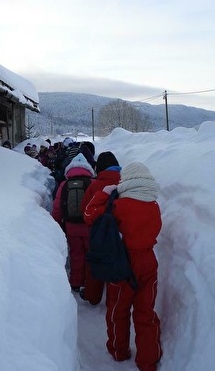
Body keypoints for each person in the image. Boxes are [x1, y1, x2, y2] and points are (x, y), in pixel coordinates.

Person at [84, 162, 162, 371]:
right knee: (146, 311)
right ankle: (148, 359)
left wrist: (105, 193)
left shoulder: (119, 206)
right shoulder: (154, 205)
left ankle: (119, 350)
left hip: (121, 262)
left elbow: (90, 214)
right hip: (148, 262)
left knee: (118, 309)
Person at [78, 151, 121, 305]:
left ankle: (92, 296)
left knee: (95, 263)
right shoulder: (124, 183)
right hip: (118, 233)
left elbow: (84, 208)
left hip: (96, 232)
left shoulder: (94, 185)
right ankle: (113, 300)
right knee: (116, 263)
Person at [51, 153, 95, 292]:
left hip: (71, 226)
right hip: (89, 226)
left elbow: (57, 207)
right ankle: (91, 282)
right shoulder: (93, 184)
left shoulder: (64, 184)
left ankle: (76, 281)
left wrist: (56, 223)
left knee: (76, 254)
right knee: (90, 254)